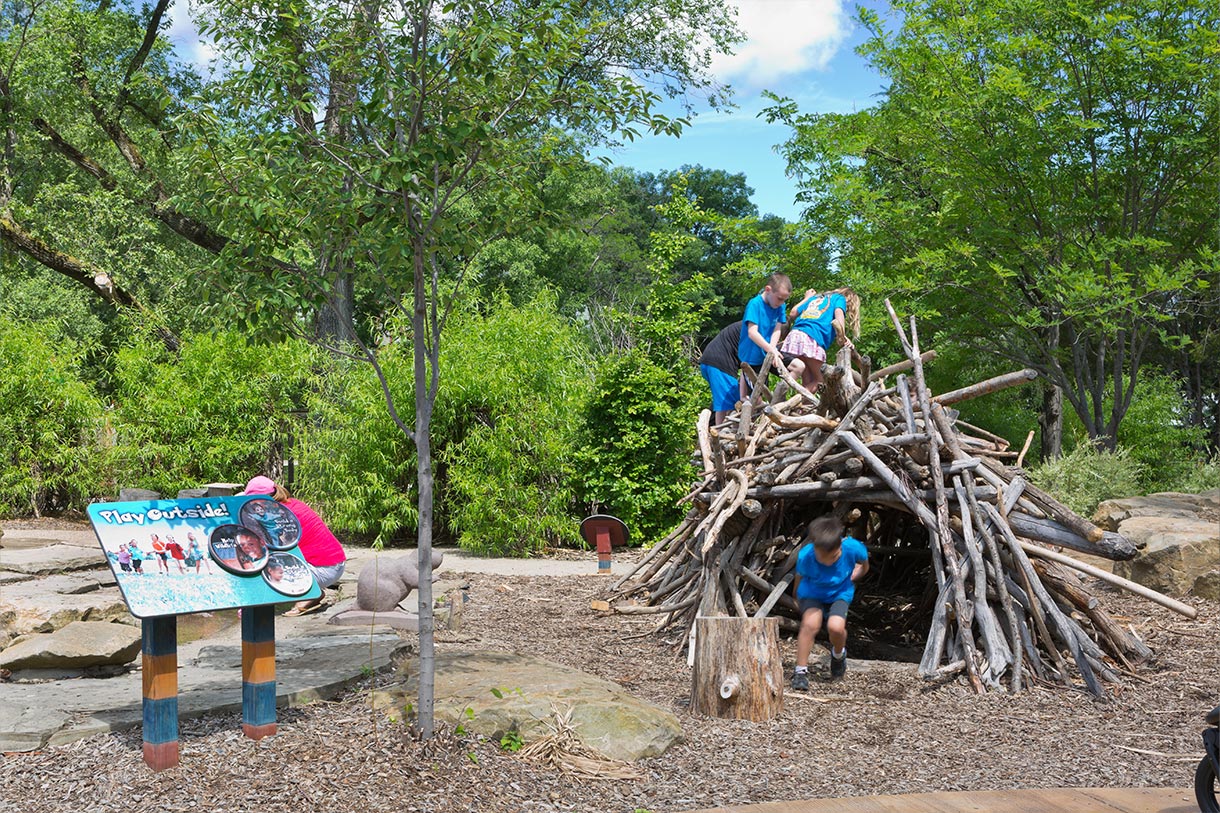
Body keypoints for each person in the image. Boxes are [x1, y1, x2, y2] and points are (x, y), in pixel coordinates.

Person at [241, 476, 347, 616]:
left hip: (323, 569)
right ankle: (312, 591)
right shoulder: (291, 504)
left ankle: (308, 593)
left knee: (262, 566)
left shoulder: (279, 515)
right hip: (335, 564)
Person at [791, 514, 869, 689]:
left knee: (836, 627)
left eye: (833, 557)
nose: (827, 562)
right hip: (812, 592)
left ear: (840, 545)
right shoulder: (806, 556)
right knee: (810, 624)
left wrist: (857, 574)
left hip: (839, 592)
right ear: (814, 547)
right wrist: (796, 597)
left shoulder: (853, 548)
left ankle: (838, 654)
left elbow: (864, 564)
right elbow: (799, 578)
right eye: (822, 558)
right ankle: (800, 671)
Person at [780, 287, 859, 392]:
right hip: (812, 337)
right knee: (822, 379)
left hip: (796, 335)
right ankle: (798, 400)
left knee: (808, 380)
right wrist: (843, 337)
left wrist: (807, 298)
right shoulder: (839, 299)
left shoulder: (815, 298)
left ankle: (803, 407)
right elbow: (838, 319)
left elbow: (793, 313)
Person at [736, 272, 792, 397]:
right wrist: (771, 350)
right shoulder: (755, 304)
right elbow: (752, 332)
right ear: (768, 290)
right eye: (779, 298)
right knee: (757, 397)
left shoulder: (780, 306)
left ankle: (779, 397)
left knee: (798, 366)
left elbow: (777, 330)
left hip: (768, 352)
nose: (781, 303)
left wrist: (772, 350)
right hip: (752, 358)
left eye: (784, 300)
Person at [698, 321, 743, 426]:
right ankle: (720, 434)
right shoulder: (754, 328)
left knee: (729, 399)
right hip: (719, 364)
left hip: (711, 362)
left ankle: (714, 428)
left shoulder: (749, 325)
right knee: (726, 403)